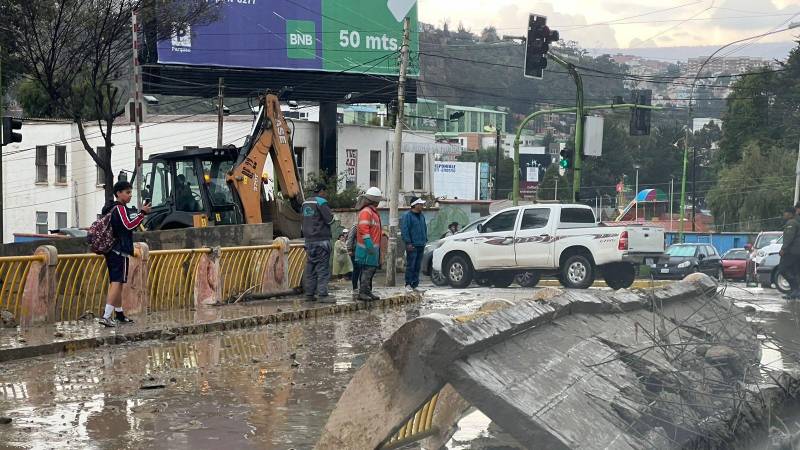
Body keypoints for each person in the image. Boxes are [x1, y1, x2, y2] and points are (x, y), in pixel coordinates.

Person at [99, 181, 151, 327]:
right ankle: (106, 316)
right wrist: (142, 214)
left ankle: (119, 314)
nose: (129, 196)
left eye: (130, 193)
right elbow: (129, 225)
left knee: (119, 282)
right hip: (118, 251)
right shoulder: (119, 208)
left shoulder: (113, 208)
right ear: (118, 193)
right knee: (116, 282)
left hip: (114, 250)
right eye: (127, 192)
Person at [302, 183, 335, 302]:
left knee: (311, 268)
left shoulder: (306, 202)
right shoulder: (321, 202)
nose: (325, 194)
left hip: (308, 241)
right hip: (321, 240)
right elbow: (330, 220)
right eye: (324, 192)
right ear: (321, 191)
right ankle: (322, 295)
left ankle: (309, 294)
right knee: (322, 269)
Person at [356, 187, 384, 301]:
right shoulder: (367, 212)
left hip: (372, 248)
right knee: (367, 271)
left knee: (371, 271)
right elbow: (364, 229)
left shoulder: (372, 212)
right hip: (367, 249)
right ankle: (362, 292)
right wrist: (369, 244)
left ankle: (367, 291)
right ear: (375, 200)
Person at [401, 197, 428, 292]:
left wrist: (425, 239)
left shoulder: (422, 216)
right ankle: (408, 284)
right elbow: (405, 230)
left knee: (417, 266)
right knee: (411, 265)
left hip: (421, 244)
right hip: (412, 245)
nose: (422, 206)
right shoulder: (407, 216)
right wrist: (408, 242)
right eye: (420, 204)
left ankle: (415, 284)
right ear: (415, 205)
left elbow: (424, 228)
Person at [781, 207, 800, 300]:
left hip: (792, 252)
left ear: (791, 214)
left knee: (782, 269)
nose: (784, 215)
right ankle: (795, 292)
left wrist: (783, 249)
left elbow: (789, 237)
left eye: (786, 213)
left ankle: (795, 289)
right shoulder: (796, 222)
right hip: (796, 252)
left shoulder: (791, 223)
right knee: (795, 271)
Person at [346, 222, 359, 292]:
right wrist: (349, 249)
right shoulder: (355, 226)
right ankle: (355, 286)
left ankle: (360, 287)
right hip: (354, 251)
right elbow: (350, 238)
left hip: (360, 250)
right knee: (356, 268)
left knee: (360, 269)